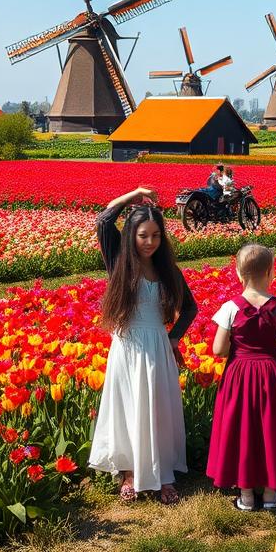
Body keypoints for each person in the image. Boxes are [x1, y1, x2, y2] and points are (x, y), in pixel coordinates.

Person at [88, 186, 197, 505]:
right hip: (127, 345)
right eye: (142, 235)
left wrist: (174, 337)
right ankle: (130, 474)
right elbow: (103, 222)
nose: (149, 242)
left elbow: (190, 308)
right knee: (128, 408)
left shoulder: (167, 271)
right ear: (131, 236)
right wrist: (131, 195)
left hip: (157, 348)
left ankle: (162, 474)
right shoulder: (120, 262)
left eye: (155, 236)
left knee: (157, 409)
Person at [205, 243, 276, 511]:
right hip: (271, 374)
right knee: (270, 427)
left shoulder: (230, 308)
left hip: (239, 374)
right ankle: (271, 495)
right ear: (272, 273)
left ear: (238, 273)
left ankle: (246, 496)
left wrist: (243, 352)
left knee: (242, 428)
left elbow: (218, 349)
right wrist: (271, 354)